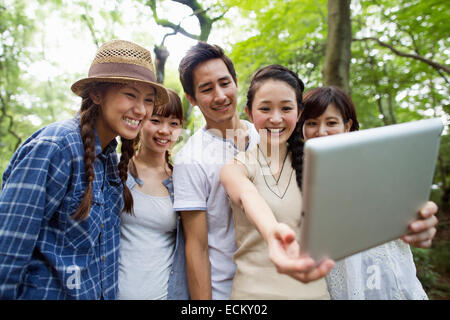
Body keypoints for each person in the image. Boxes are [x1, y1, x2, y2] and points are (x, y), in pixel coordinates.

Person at [0, 39, 169, 299]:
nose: (141, 110)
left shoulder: (110, 159)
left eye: (148, 100)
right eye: (130, 95)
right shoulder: (55, 148)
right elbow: (8, 252)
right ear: (97, 94)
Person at [299, 86, 435, 299]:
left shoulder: (379, 164)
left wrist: (421, 223)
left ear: (347, 126)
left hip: (394, 282)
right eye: (312, 123)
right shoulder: (298, 177)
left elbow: (409, 219)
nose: (321, 131)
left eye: (331, 122)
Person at [220, 65, 335, 299]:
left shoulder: (319, 166)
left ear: (299, 113)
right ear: (249, 114)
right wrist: (273, 234)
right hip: (252, 297)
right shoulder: (235, 167)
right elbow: (247, 196)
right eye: (265, 108)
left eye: (286, 108)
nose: (275, 118)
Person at [172, 42, 260, 299]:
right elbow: (196, 248)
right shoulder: (190, 160)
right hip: (227, 292)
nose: (220, 95)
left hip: (275, 282)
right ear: (192, 99)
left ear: (235, 82)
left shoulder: (264, 135)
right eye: (207, 89)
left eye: (225, 83)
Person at [118, 89, 189, 300]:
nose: (165, 131)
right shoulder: (116, 171)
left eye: (174, 124)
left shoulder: (182, 180)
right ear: (140, 121)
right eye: (156, 121)